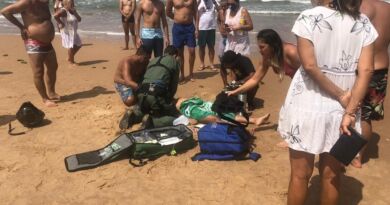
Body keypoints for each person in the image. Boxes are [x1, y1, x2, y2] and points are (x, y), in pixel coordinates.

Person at [277, 0, 377, 204]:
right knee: (332, 176)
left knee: (299, 175)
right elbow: (366, 70)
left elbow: (310, 66)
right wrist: (349, 111)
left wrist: (340, 94)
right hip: (344, 109)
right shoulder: (363, 22)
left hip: (307, 102)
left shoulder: (308, 17)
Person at [352, 0, 390, 168]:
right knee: (366, 116)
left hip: (361, 69)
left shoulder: (360, 7)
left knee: (349, 110)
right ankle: (359, 157)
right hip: (381, 69)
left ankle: (344, 152)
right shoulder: (387, 8)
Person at [1, 0, 60, 107]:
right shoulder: (27, 2)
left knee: (53, 67)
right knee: (38, 71)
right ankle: (45, 98)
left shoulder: (45, 3)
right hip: (34, 41)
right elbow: (5, 12)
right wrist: (22, 27)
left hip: (47, 42)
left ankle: (51, 92)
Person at [122, 46, 181, 129]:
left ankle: (134, 115)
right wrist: (169, 102)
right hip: (156, 95)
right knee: (176, 117)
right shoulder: (174, 61)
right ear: (175, 55)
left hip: (142, 93)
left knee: (145, 109)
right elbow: (173, 88)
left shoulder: (154, 60)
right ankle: (152, 122)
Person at [176, 97, 270, 126]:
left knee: (229, 116)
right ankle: (253, 121)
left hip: (207, 112)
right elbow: (199, 101)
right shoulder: (190, 103)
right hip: (208, 112)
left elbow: (194, 121)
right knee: (226, 117)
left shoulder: (187, 110)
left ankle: (254, 120)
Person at [166, 0, 197, 82]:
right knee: (179, 52)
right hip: (178, 28)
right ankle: (182, 74)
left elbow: (196, 12)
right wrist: (177, 17)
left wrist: (197, 28)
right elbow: (168, 12)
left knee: (192, 50)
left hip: (190, 27)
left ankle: (191, 73)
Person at [54, 0, 82, 65]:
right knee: (71, 46)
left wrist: (75, 12)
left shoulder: (73, 10)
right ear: (66, 4)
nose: (72, 4)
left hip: (74, 31)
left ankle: (70, 57)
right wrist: (60, 23)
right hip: (67, 31)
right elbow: (55, 15)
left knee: (79, 45)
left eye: (73, 3)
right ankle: (71, 62)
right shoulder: (64, 11)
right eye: (70, 3)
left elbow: (79, 19)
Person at [197, 0, 218, 71]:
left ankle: (211, 64)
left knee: (211, 47)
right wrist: (196, 29)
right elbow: (193, 11)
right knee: (201, 47)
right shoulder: (198, 1)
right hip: (201, 28)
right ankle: (202, 63)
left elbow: (219, 10)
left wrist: (214, 2)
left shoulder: (214, 1)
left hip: (212, 28)